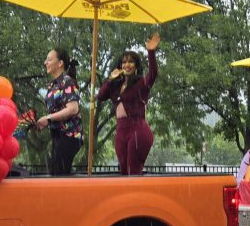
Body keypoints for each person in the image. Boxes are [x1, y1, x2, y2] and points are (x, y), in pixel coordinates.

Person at [97, 33, 160, 175]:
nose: (127, 65)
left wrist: (151, 52)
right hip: (121, 131)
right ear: (120, 65)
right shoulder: (115, 85)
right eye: (124, 62)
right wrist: (111, 79)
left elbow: (153, 73)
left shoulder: (141, 84)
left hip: (138, 131)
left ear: (136, 66)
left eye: (131, 62)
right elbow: (100, 96)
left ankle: (136, 197)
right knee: (124, 172)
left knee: (133, 171)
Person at [36, 47, 83, 175]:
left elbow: (73, 109)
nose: (45, 62)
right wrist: (45, 121)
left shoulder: (67, 81)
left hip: (68, 136)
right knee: (56, 173)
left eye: (49, 59)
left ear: (60, 63)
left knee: (60, 175)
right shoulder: (53, 85)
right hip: (57, 135)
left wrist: (48, 118)